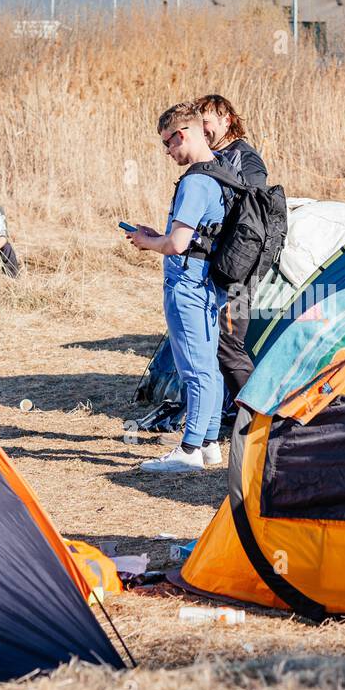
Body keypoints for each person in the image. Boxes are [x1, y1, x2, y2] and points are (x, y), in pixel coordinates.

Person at [126, 102, 228, 473]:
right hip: (208, 283)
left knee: (194, 370)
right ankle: (210, 443)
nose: (168, 153)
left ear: (181, 135)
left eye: (168, 144)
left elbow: (178, 244)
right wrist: (160, 235)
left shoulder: (196, 182)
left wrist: (147, 242)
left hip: (187, 284)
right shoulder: (220, 171)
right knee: (209, 368)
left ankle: (188, 451)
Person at [195, 94, 270, 418]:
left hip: (239, 269)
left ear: (226, 119)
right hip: (218, 264)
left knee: (228, 344)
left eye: (207, 123)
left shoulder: (246, 159)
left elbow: (253, 214)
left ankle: (259, 416)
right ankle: (231, 409)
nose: (203, 130)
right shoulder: (213, 156)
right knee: (214, 341)